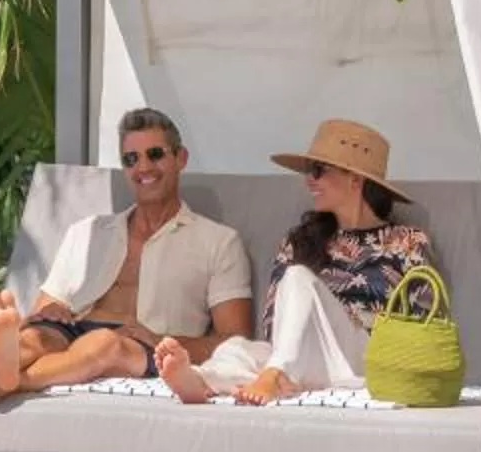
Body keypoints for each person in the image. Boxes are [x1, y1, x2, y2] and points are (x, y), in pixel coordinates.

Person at [0, 106, 257, 413]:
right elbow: (39, 311)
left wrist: (161, 339)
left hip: (141, 345)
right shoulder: (87, 232)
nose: (143, 167)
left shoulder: (219, 242)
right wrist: (53, 309)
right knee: (33, 338)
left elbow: (234, 341)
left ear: (180, 158)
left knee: (105, 343)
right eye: (131, 159)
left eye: (155, 154)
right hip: (72, 328)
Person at [155, 116, 437, 405]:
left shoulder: (406, 241)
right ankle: (201, 380)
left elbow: (422, 324)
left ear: (355, 179)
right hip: (304, 362)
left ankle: (274, 375)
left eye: (318, 170)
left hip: (366, 359)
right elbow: (273, 325)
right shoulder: (299, 240)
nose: (309, 180)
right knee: (238, 348)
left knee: (298, 277)